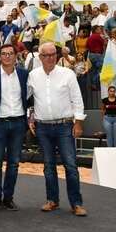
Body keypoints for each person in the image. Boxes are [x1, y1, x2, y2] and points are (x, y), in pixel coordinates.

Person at [28, 42, 87, 216]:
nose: (50, 58)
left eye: (53, 54)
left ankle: (76, 203)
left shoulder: (68, 74)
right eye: (46, 55)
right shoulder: (32, 76)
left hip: (64, 126)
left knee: (70, 165)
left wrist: (78, 122)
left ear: (58, 55)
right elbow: (26, 99)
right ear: (40, 57)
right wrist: (29, 116)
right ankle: (52, 200)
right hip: (42, 128)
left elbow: (78, 100)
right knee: (48, 166)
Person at [0, 43, 29, 211]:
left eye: (11, 53)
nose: (7, 56)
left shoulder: (24, 75)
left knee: (14, 163)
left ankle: (8, 197)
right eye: (4, 53)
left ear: (15, 56)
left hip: (18, 124)